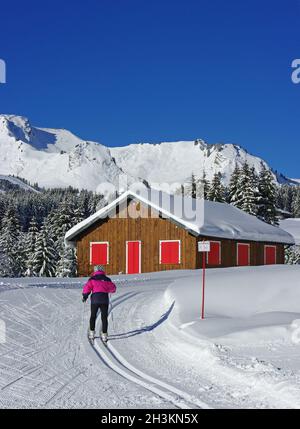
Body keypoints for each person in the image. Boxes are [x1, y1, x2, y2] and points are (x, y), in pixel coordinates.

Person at [82, 264, 116, 343]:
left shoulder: (92, 279)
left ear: (95, 271)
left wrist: (85, 296)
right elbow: (113, 289)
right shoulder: (107, 279)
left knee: (93, 316)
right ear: (103, 271)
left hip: (95, 301)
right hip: (104, 300)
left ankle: (92, 333)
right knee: (104, 318)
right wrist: (107, 289)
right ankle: (104, 335)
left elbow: (87, 288)